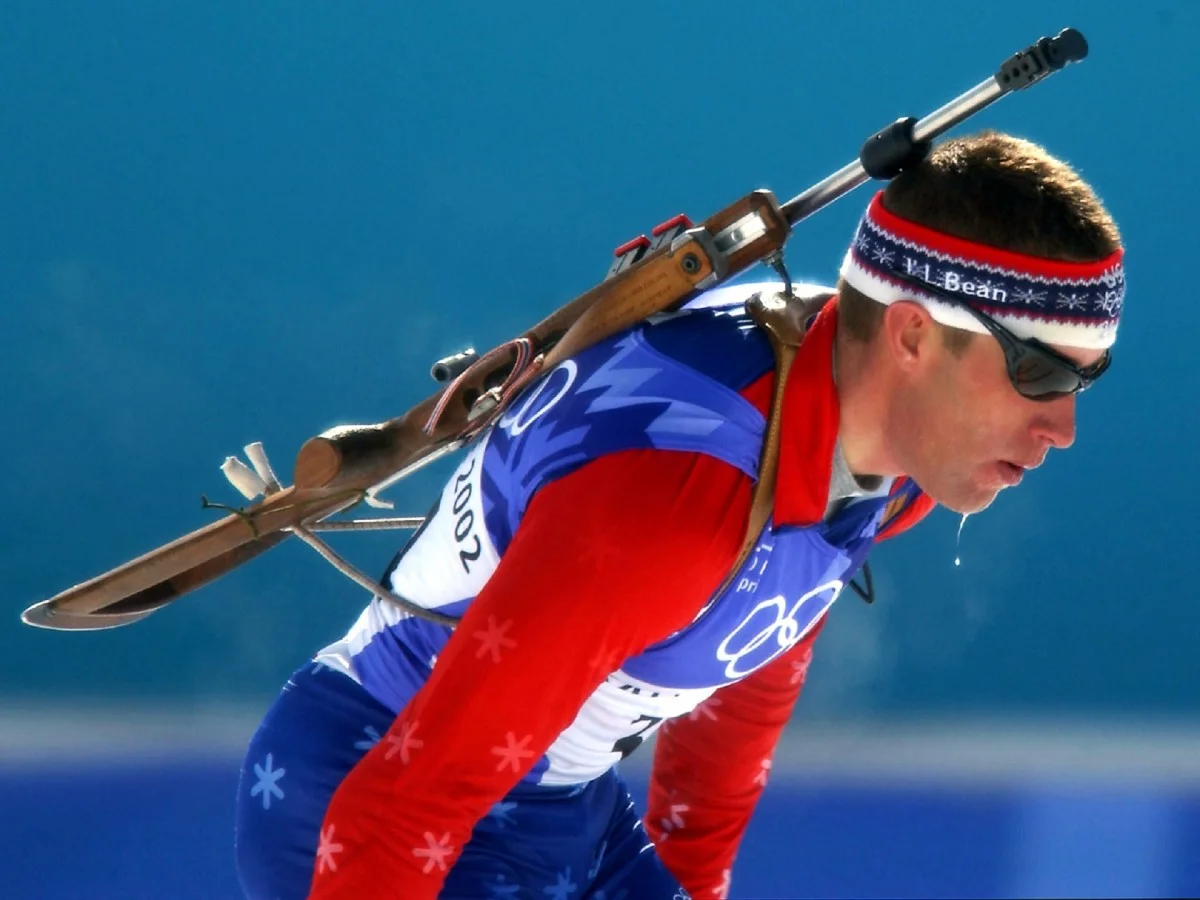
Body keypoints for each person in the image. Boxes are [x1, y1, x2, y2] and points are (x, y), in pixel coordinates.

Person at [234, 130, 1125, 900]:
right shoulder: (667, 507)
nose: (1065, 429)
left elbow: (758, 648)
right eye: (1040, 373)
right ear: (913, 335)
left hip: (562, 816)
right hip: (370, 798)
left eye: (1088, 379)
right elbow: (399, 808)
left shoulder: (884, 448)